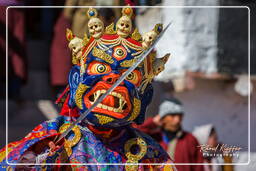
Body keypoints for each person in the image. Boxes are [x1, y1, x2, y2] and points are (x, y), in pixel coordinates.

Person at [0, 6, 177, 170]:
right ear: (76, 80)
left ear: (145, 97)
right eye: (100, 68)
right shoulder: (53, 135)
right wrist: (31, 162)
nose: (113, 78)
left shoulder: (151, 156)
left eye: (129, 76)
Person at [137, 98, 205, 171]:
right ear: (162, 118)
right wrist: (152, 122)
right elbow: (134, 132)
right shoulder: (153, 138)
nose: (177, 120)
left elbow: (198, 167)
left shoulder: (190, 139)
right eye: (173, 115)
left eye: (180, 116)